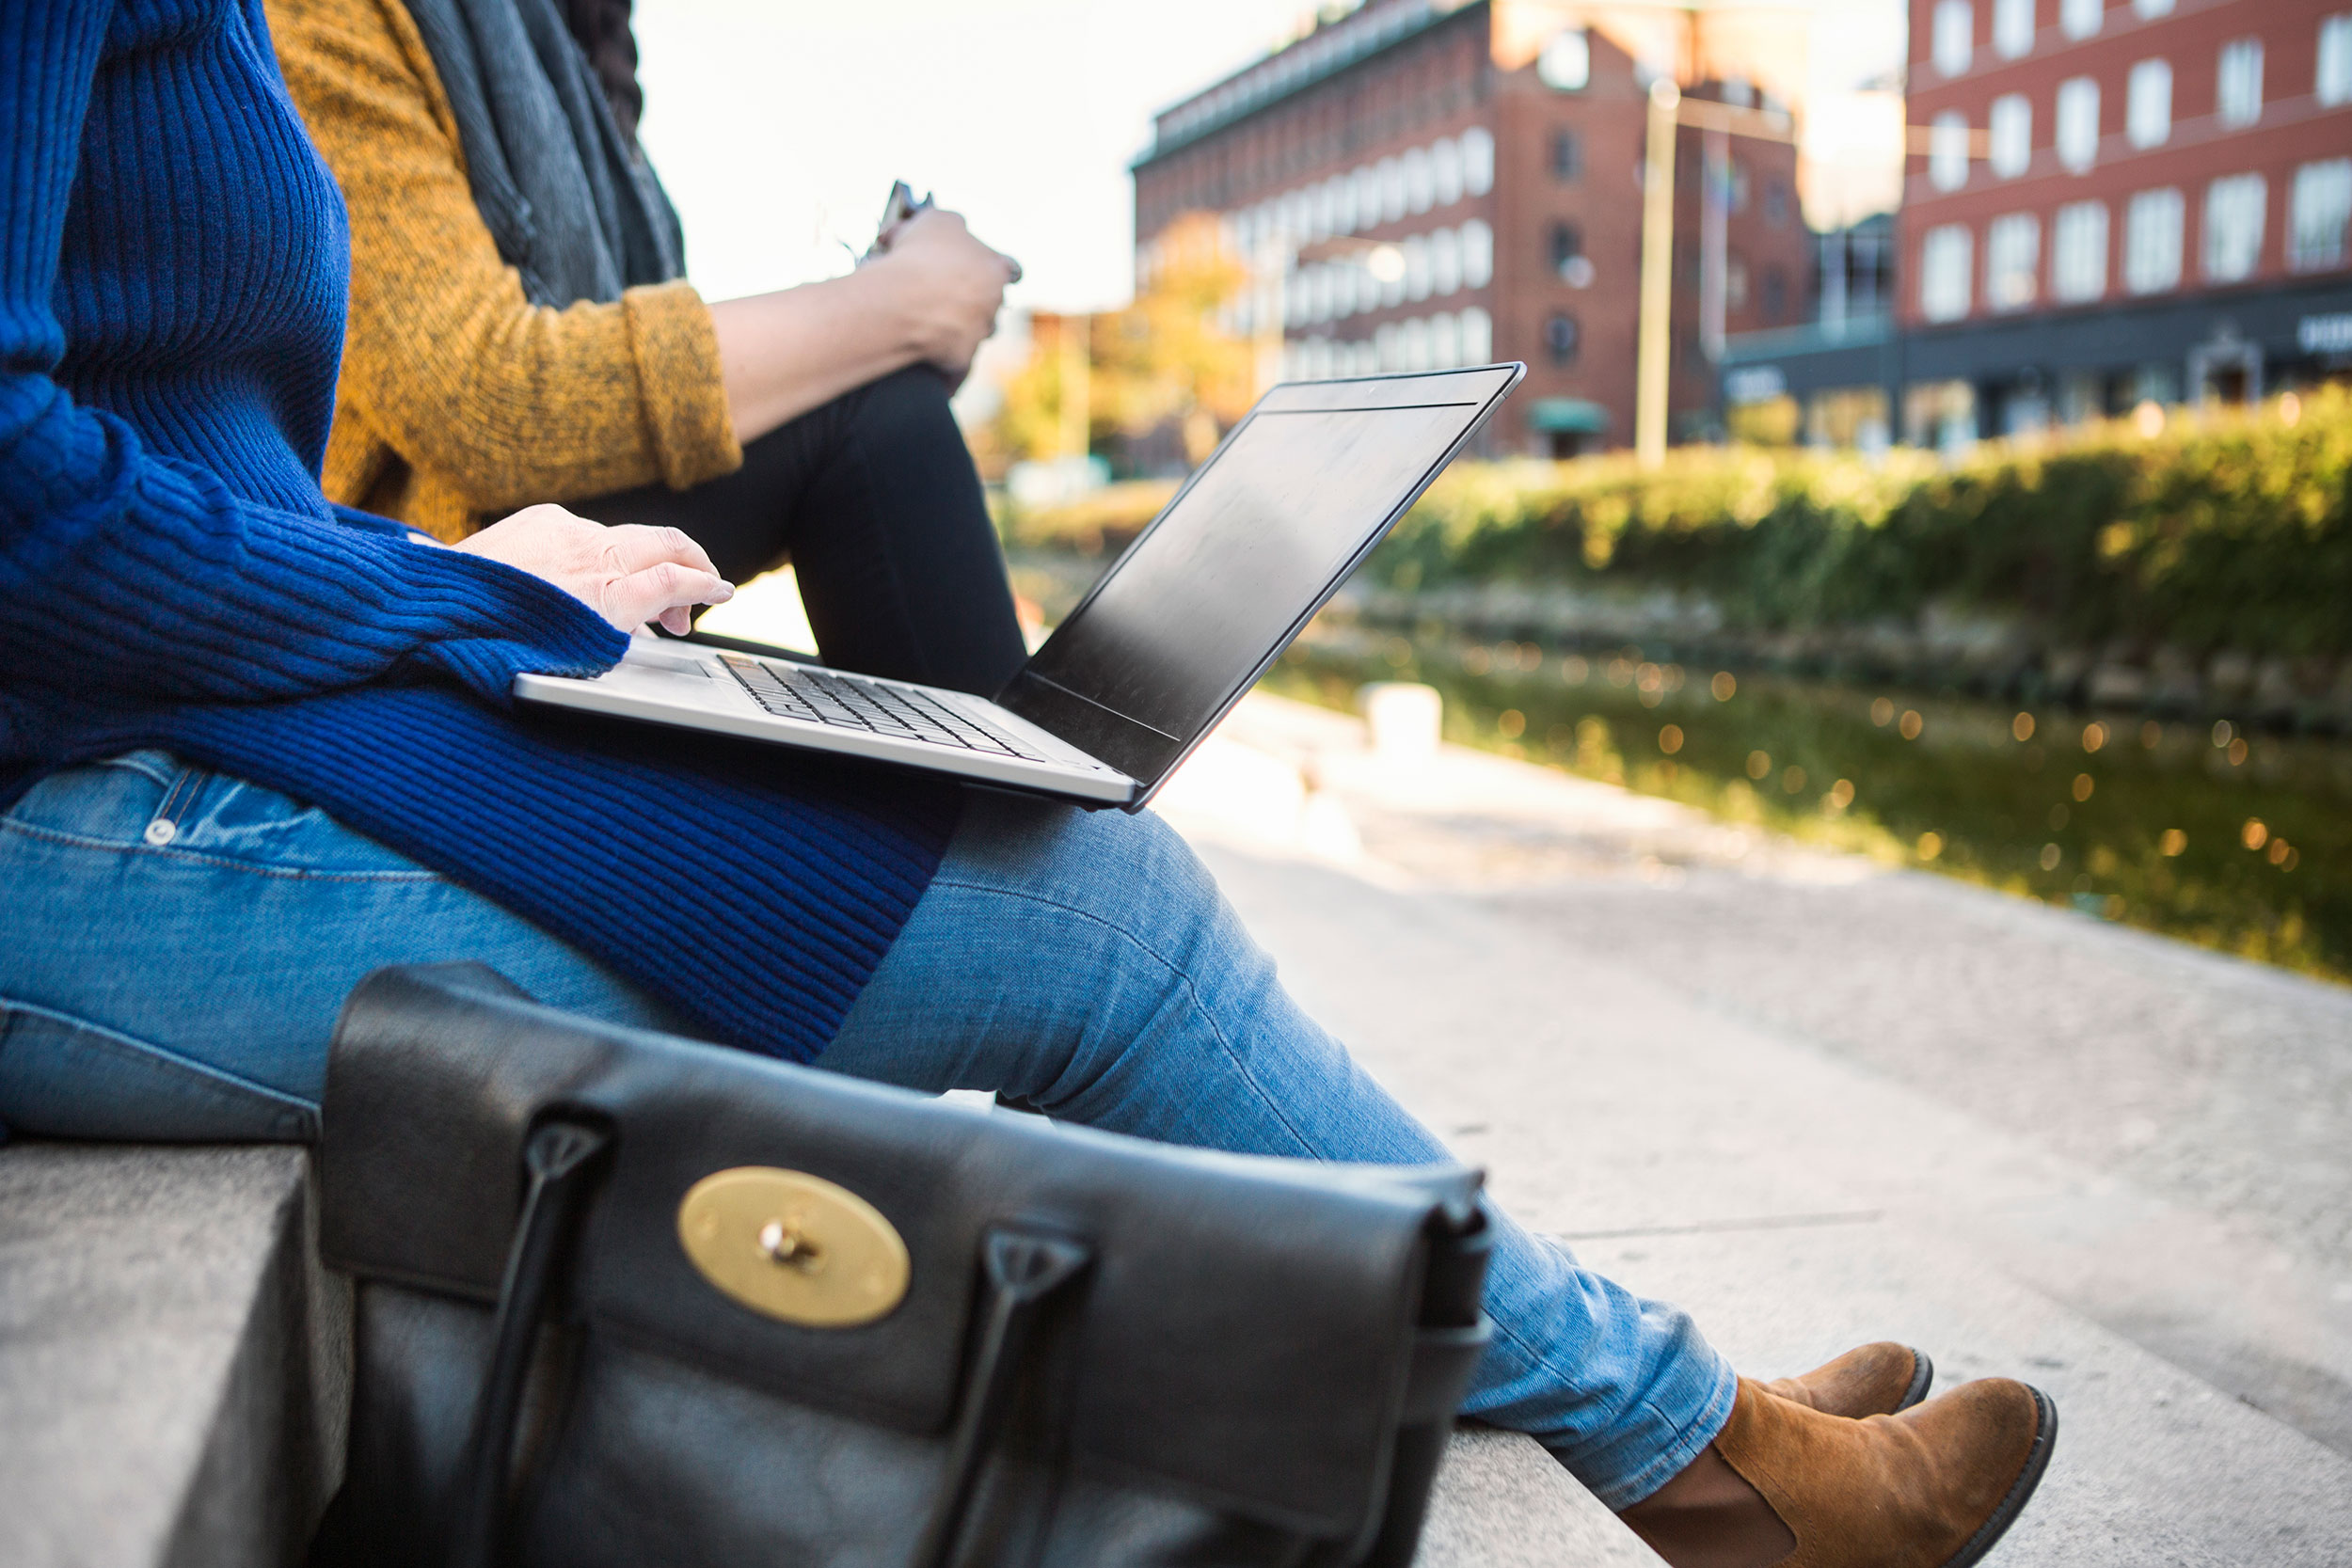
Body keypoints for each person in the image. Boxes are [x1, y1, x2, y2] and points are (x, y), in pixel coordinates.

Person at [0, 5, 2055, 1564]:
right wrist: (443, 582)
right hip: (73, 792)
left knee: (1037, 842)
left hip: (209, 700)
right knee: (1086, 918)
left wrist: (449, 590)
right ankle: (1710, 1458)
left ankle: (1663, 1384)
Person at [266, 0, 1029, 696]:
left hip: (570, 549)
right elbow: (483, 396)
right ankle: (1034, 838)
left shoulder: (573, 62)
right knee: (879, 418)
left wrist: (879, 329)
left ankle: (1031, 809)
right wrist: (888, 312)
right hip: (425, 589)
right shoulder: (324, 16)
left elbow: (660, 434)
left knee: (878, 426)